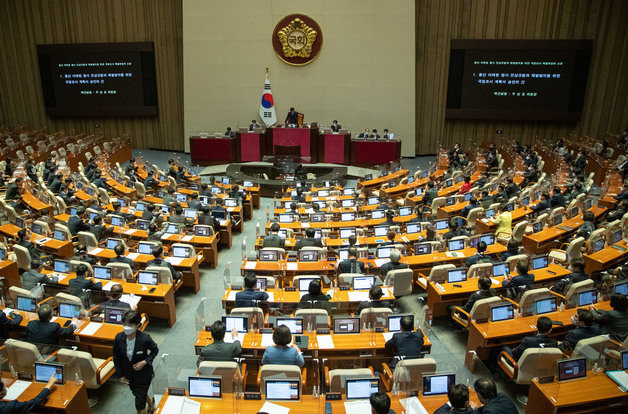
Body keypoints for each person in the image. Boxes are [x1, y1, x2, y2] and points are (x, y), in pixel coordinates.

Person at [113, 310, 158, 414]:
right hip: (128, 374)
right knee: (137, 393)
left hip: (144, 375)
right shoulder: (119, 338)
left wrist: (144, 362)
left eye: (130, 324)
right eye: (124, 324)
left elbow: (155, 350)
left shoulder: (145, 338)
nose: (126, 327)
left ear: (138, 325)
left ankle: (147, 405)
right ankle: (150, 401)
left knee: (139, 402)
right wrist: (120, 375)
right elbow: (116, 357)